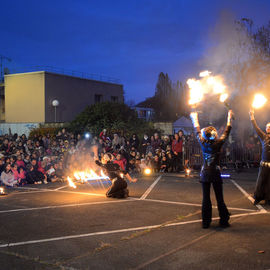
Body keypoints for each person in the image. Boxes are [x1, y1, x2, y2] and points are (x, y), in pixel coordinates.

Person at [190, 110, 233, 229]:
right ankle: (224, 220)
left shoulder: (202, 142)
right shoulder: (218, 143)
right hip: (215, 172)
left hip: (204, 173)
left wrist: (195, 118)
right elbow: (227, 131)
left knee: (206, 198)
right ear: (214, 135)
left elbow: (197, 130)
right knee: (220, 198)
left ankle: (206, 222)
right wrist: (229, 118)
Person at [249, 109, 270, 205]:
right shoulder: (263, 136)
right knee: (260, 181)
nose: (268, 128)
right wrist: (252, 116)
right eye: (267, 127)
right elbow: (255, 128)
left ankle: (268, 199)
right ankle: (258, 197)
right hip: (264, 164)